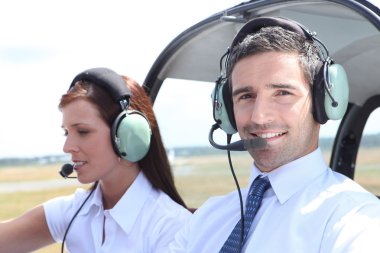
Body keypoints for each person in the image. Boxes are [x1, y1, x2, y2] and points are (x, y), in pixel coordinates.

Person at [169, 16, 380, 252]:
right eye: (246, 96)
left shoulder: (354, 220)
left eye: (282, 93)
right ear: (228, 110)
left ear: (323, 102)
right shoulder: (207, 218)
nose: (259, 117)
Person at [0, 67, 191, 253]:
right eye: (67, 132)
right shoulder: (76, 212)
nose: (67, 147)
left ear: (127, 135)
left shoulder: (170, 227)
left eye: (83, 132)